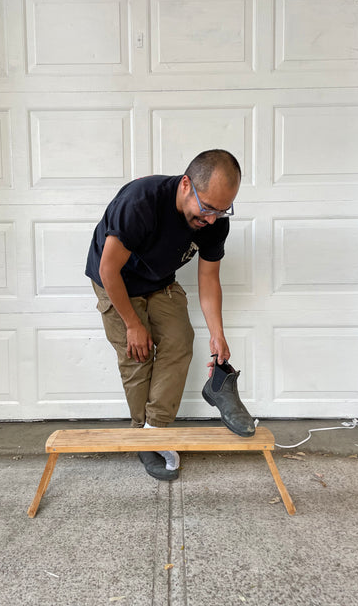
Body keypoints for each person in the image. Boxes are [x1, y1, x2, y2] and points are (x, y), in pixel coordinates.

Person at [85, 149, 254, 481]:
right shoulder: (141, 203)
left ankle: (154, 430)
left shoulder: (215, 220)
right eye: (206, 209)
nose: (210, 220)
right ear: (186, 185)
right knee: (138, 354)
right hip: (116, 281)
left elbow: (208, 278)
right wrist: (133, 324)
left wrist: (217, 333)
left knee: (180, 340)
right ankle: (144, 438)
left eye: (221, 211)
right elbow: (108, 269)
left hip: (160, 280)